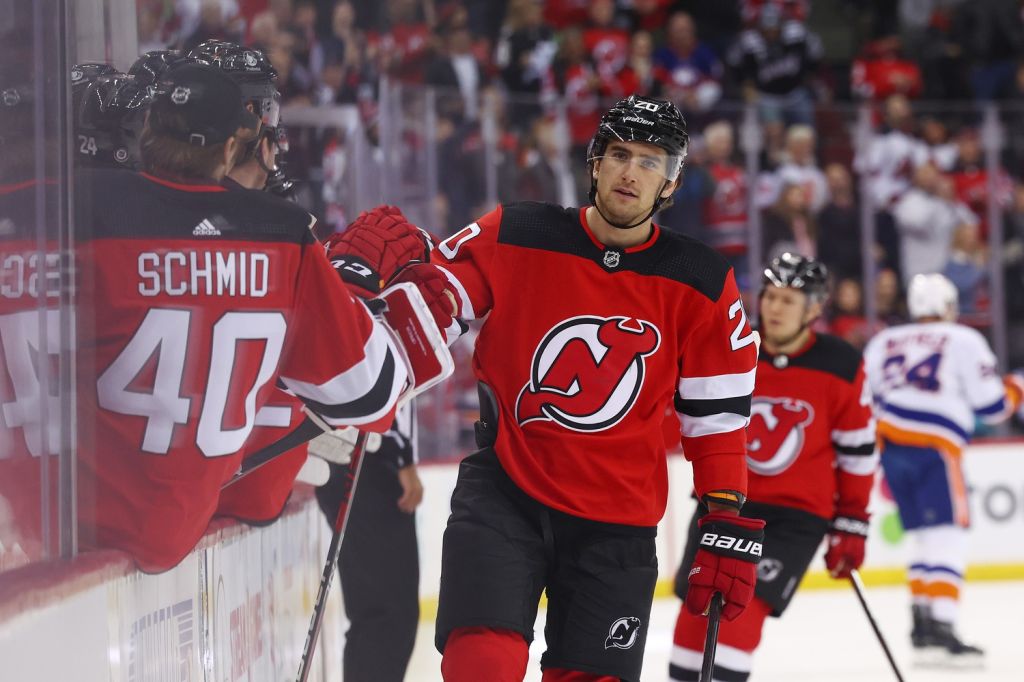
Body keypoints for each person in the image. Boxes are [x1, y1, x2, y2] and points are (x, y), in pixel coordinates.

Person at [357, 95, 765, 681]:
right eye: (620, 154)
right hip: (505, 493)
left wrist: (724, 516)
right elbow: (433, 313)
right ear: (595, 163)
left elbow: (717, 418)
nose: (631, 171)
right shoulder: (519, 231)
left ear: (670, 184)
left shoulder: (700, 279)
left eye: (651, 162)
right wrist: (374, 299)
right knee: (481, 666)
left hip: (618, 520)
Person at [72, 63, 448, 572]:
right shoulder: (276, 234)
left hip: (59, 523)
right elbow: (370, 392)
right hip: (172, 523)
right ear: (231, 147)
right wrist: (354, 282)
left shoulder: (75, 215)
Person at [669, 253, 878, 682]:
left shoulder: (840, 363)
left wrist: (853, 519)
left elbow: (858, 450)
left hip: (795, 518)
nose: (775, 308)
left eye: (788, 300)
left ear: (815, 309)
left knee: (740, 616)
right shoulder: (735, 346)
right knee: (694, 616)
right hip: (725, 504)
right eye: (771, 297)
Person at [863, 273, 1020, 661]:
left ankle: (921, 622)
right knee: (949, 533)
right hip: (934, 445)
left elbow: (862, 397)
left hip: (890, 446)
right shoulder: (963, 338)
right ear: (947, 306)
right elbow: (992, 406)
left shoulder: (883, 341)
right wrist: (1016, 388)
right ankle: (944, 625)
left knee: (924, 535)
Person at [315, 401, 423, 682]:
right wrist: (400, 453)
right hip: (367, 451)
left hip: (365, 447)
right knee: (386, 617)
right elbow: (386, 364)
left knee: (386, 616)